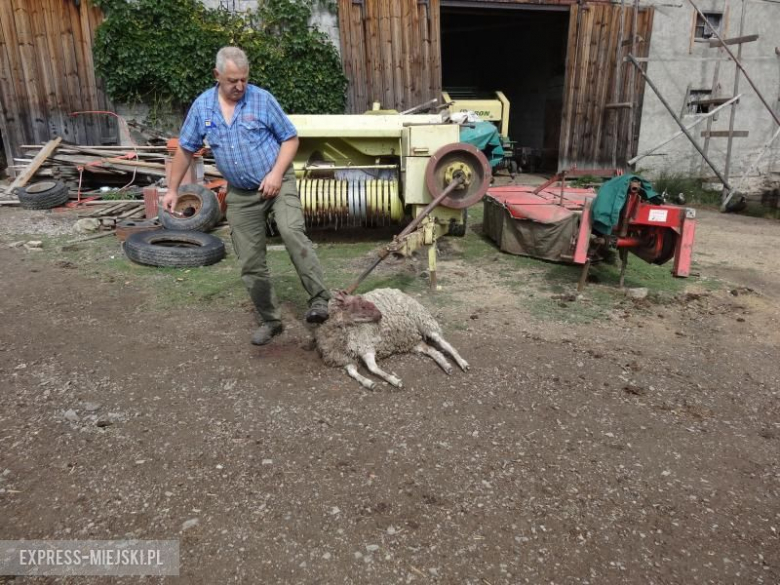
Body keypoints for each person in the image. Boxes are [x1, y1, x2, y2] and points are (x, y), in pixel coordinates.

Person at [163, 46, 330, 345]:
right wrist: (173, 189)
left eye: (244, 79)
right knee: (250, 261)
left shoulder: (262, 99)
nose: (240, 86)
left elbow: (290, 139)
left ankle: (320, 301)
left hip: (278, 182)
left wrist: (276, 174)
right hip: (241, 193)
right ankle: (270, 320)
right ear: (217, 76)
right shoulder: (203, 108)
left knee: (292, 232)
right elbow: (186, 149)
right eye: (232, 80)